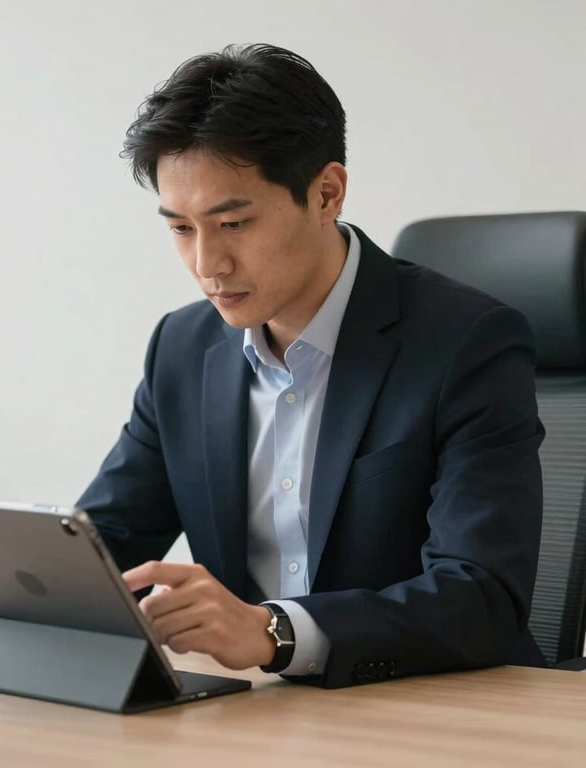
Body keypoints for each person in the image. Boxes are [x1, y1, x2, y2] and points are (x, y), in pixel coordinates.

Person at [76, 43, 546, 688]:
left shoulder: (468, 343)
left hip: (440, 709)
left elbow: (482, 595)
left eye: (233, 222)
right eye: (181, 229)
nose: (207, 264)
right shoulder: (184, 350)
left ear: (326, 193)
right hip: (263, 714)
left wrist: (275, 632)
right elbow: (107, 544)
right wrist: (39, 583)